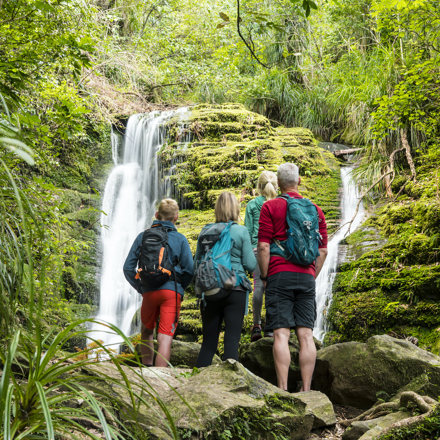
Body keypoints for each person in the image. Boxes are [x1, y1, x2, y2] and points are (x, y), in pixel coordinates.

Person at [257, 163, 328, 391]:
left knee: (281, 333)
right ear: (299, 181)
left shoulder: (270, 207)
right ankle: (307, 391)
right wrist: (311, 275)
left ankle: (283, 389)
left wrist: (266, 276)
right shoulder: (315, 210)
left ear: (278, 183)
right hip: (306, 276)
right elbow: (323, 250)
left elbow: (263, 247)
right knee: (306, 334)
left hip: (279, 274)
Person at [123, 198, 194, 367]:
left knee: (147, 332)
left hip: (149, 291)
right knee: (165, 337)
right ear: (176, 217)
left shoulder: (143, 237)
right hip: (171, 292)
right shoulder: (181, 239)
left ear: (156, 214)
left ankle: (146, 371)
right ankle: (159, 381)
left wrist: (141, 288)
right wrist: (180, 289)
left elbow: (128, 268)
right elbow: (190, 270)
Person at [195, 192, 256, 368]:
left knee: (208, 344)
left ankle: (196, 386)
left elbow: (195, 266)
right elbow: (250, 266)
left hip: (210, 289)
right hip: (235, 288)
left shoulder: (205, 232)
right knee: (231, 341)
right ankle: (230, 390)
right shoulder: (241, 231)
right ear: (236, 208)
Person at [244, 170, 278, 342]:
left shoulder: (252, 205)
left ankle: (256, 325)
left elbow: (248, 232)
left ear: (259, 186)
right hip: (276, 251)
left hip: (258, 250)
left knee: (258, 285)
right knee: (273, 288)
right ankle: (271, 327)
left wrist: (250, 252)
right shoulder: (280, 204)